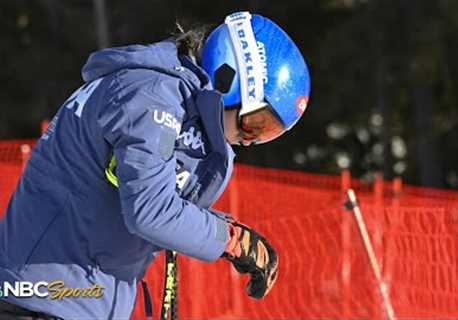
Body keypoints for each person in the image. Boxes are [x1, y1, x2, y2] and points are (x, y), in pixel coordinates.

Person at [0, 11, 310, 319]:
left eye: (268, 133)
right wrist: (232, 240)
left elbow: (154, 199)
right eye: (255, 123)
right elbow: (151, 211)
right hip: (41, 296)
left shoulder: (177, 108)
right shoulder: (150, 96)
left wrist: (232, 233)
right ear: (228, 77)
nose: (249, 140)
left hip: (78, 298)